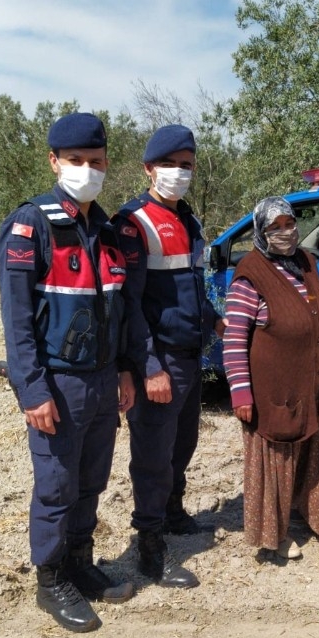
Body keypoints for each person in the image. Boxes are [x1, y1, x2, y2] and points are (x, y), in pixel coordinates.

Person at [0, 112, 136, 633]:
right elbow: (17, 322)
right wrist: (32, 391)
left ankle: (80, 561)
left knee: (91, 481)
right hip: (57, 383)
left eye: (96, 162)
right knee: (56, 485)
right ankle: (50, 579)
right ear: (54, 161)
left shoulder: (106, 228)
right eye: (75, 161)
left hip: (102, 380)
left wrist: (124, 369)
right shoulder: (30, 225)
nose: (86, 170)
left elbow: (115, 309)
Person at [113, 125, 224, 588]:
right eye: (170, 164)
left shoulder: (189, 220)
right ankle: (149, 546)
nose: (179, 173)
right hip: (158, 359)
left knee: (183, 444)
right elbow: (129, 305)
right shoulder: (133, 222)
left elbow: (191, 282)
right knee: (153, 454)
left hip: (189, 353)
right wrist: (149, 366)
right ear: (148, 168)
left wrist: (212, 317)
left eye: (187, 165)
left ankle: (173, 511)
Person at [223, 196, 319, 563]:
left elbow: (316, 304)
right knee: (277, 459)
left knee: (313, 451)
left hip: (312, 381)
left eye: (289, 223)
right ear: (260, 230)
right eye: (275, 227)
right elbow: (234, 339)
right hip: (274, 389)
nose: (285, 232)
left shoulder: (306, 262)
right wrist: (241, 393)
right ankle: (273, 538)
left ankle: (311, 518)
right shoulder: (250, 273)